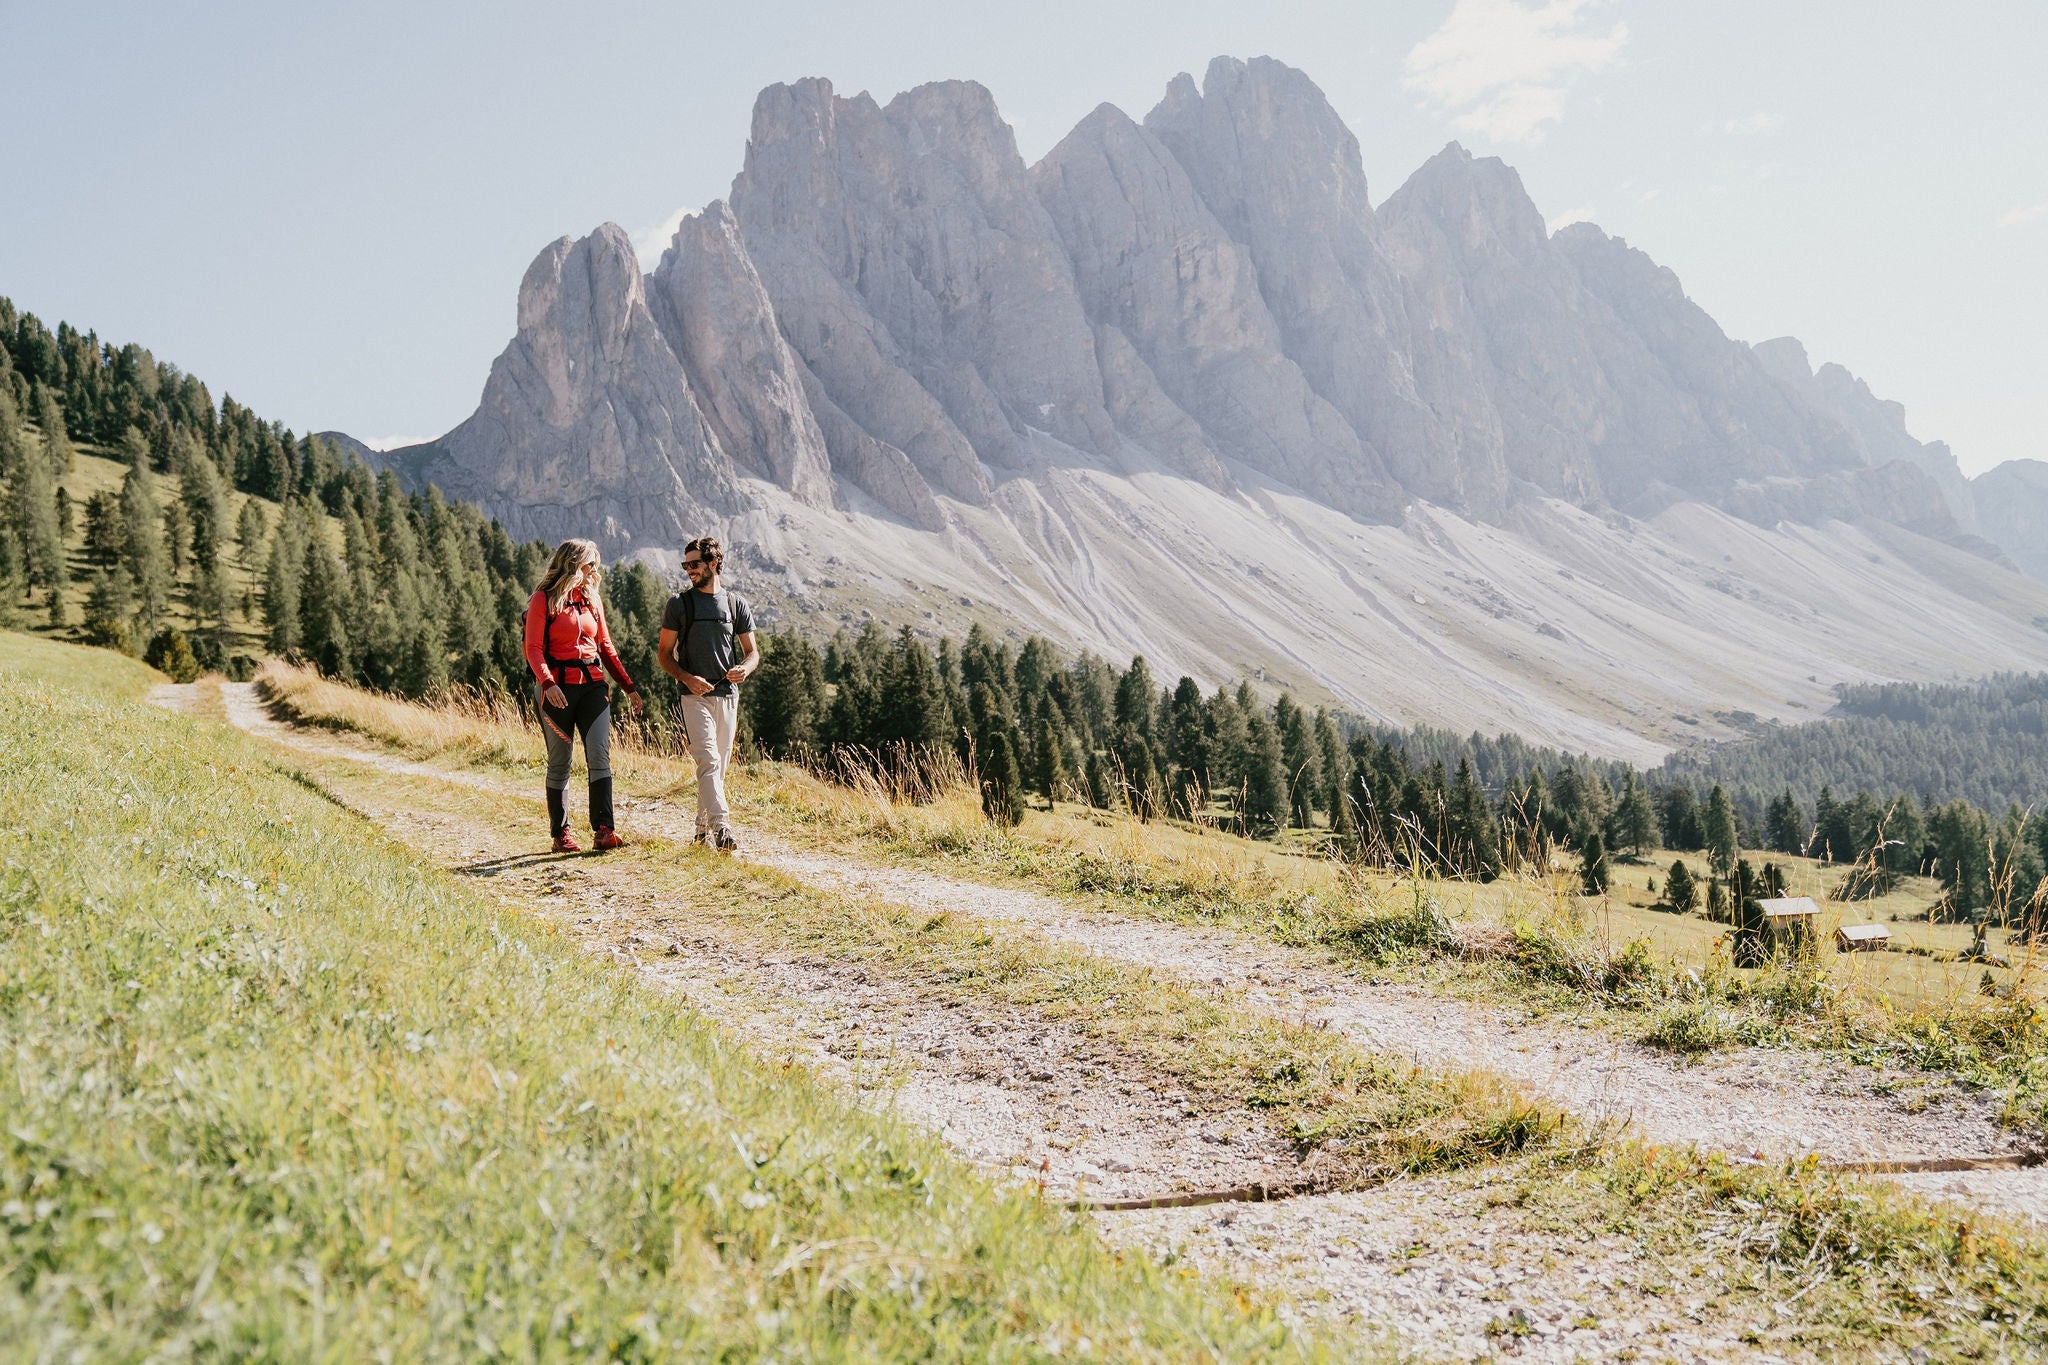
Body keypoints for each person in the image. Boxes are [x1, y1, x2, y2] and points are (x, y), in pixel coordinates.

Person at [523, 538, 644, 853]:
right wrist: (548, 683)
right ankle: (560, 835)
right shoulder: (542, 599)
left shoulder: (593, 599)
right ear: (572, 564)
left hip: (593, 686)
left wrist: (628, 687)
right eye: (590, 564)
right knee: (560, 762)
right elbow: (533, 648)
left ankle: (604, 830)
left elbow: (605, 646)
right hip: (556, 690)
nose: (595, 571)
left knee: (599, 757)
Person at [658, 536, 756, 851]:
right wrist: (687, 678)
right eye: (686, 565)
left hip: (728, 695)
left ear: (714, 563)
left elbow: (752, 652)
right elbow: (663, 654)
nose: (689, 570)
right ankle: (723, 827)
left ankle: (701, 833)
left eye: (695, 564)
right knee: (708, 760)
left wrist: (746, 668)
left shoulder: (735, 604)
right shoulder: (679, 604)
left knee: (718, 767)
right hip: (693, 696)